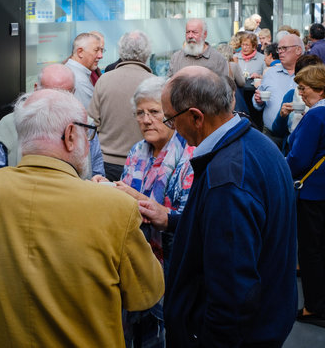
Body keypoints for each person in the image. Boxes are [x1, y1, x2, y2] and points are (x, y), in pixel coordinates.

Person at [0, 89, 164, 347]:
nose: (89, 142)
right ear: (69, 136)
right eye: (87, 133)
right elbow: (146, 295)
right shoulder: (116, 208)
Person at [139, 66, 297, 347]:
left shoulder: (226, 178)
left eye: (171, 121)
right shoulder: (257, 143)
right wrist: (174, 221)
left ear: (196, 117)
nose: (172, 130)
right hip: (267, 320)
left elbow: (233, 291)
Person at [94, 76, 194, 347]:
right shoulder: (138, 150)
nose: (146, 120)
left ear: (171, 115)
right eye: (140, 113)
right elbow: (127, 199)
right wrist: (107, 191)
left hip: (174, 266)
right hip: (136, 259)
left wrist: (158, 213)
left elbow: (192, 219)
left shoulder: (190, 155)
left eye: (154, 112)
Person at [0, 63, 105, 179]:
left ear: (74, 92)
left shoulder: (85, 124)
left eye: (65, 95)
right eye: (50, 94)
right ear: (36, 88)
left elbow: (98, 173)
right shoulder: (9, 125)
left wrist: (98, 182)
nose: (56, 102)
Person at [88, 30, 155, 181]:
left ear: (121, 52)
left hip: (106, 163)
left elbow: (92, 124)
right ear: (147, 54)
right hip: (142, 163)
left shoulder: (104, 80)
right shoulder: (154, 84)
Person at [287, 64, 325, 327]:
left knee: (311, 251)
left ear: (320, 90)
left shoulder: (315, 117)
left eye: (304, 88)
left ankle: (315, 306)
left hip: (312, 192)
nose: (300, 94)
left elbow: (299, 158)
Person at [254, 34, 304, 147]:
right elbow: (257, 100)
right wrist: (257, 100)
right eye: (279, 49)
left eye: (284, 48)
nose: (280, 52)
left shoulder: (309, 74)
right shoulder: (270, 73)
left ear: (298, 50)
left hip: (301, 137)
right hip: (271, 136)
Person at [271, 54, 322, 153]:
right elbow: (277, 131)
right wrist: (282, 116)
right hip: (291, 149)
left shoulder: (320, 103)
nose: (300, 92)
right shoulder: (291, 95)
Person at [64, 32, 103, 108]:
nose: (100, 56)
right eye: (96, 50)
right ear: (80, 52)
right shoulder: (79, 81)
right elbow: (89, 116)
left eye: (101, 51)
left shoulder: (70, 69)